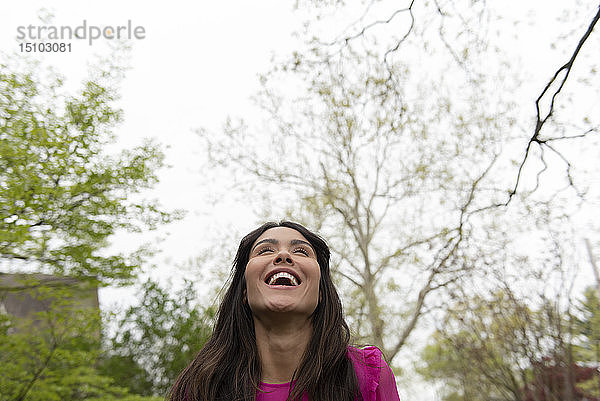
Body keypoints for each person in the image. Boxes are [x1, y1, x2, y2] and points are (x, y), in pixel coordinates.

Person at [169, 221, 400, 401]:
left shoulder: (369, 375)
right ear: (244, 293)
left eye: (301, 251)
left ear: (320, 292)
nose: (283, 255)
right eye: (265, 250)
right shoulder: (202, 386)